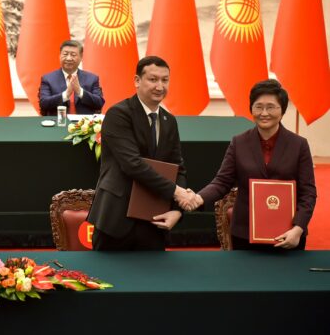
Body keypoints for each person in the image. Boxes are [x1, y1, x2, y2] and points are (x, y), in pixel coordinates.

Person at [181, 80, 317, 250]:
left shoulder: (299, 145)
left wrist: (298, 228)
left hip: (288, 233)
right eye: (258, 107)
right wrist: (198, 198)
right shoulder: (239, 142)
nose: (264, 113)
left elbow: (308, 193)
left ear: (282, 110)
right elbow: (222, 182)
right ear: (251, 109)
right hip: (245, 233)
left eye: (271, 107)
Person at [87, 56, 190, 250]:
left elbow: (178, 168)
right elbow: (132, 164)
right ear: (137, 80)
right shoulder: (118, 114)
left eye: (165, 80)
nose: (160, 86)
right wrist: (177, 192)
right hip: (116, 220)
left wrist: (177, 210)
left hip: (155, 220)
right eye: (153, 79)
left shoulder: (169, 121)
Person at [39, 40, 104, 116]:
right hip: (58, 121)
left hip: (83, 122)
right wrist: (66, 94)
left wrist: (80, 91)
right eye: (65, 54)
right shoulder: (48, 79)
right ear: (60, 56)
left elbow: (99, 103)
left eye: (73, 55)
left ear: (81, 57)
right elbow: (43, 103)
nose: (69, 58)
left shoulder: (92, 79)